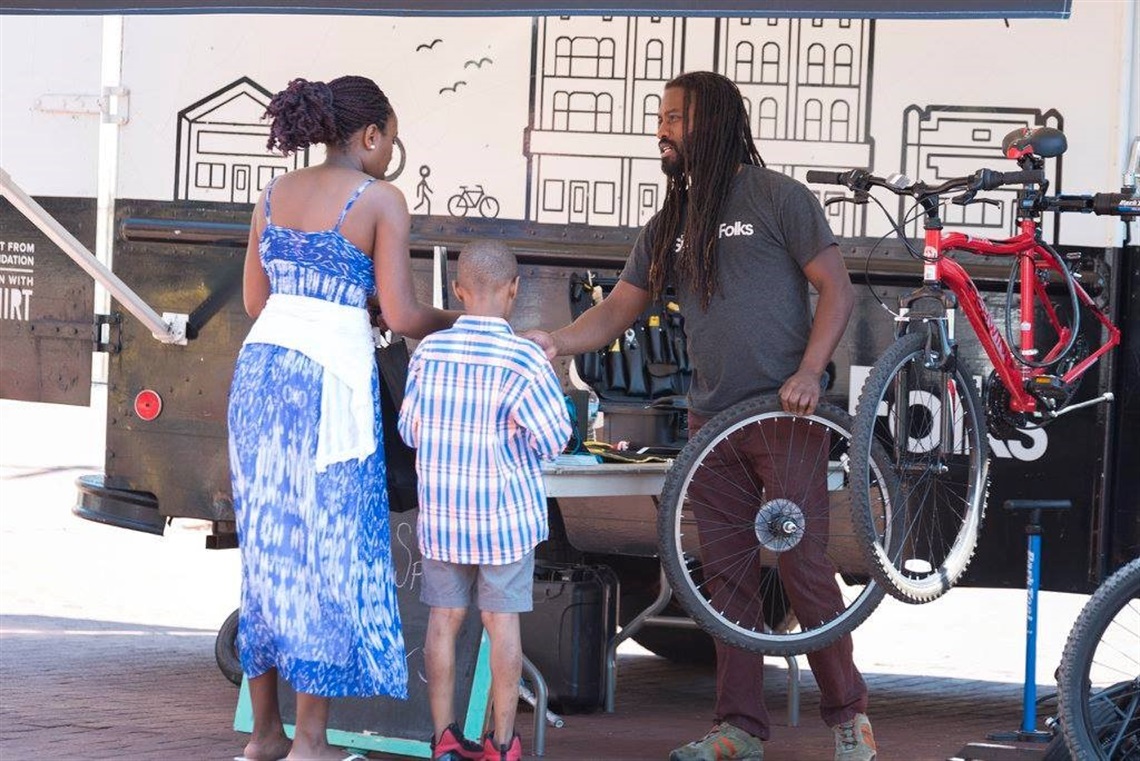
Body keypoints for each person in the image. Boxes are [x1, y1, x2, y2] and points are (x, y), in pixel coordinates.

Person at [524, 71, 874, 761]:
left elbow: (838, 290)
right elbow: (622, 304)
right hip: (712, 424)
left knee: (803, 566)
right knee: (724, 579)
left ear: (713, 121)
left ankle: (849, 719)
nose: (662, 128)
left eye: (675, 117)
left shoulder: (780, 198)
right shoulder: (669, 224)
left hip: (782, 414)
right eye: (661, 116)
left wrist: (808, 371)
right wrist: (559, 340)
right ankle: (739, 728)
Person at [228, 75, 458, 761]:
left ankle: (264, 737)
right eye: (393, 138)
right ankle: (310, 742)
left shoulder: (272, 195)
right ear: (372, 134)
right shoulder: (381, 199)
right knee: (324, 550)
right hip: (326, 384)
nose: (393, 152)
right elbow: (406, 314)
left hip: (260, 374)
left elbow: (253, 301)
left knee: (266, 552)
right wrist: (466, 319)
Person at [397, 240, 571, 761]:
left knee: (443, 621)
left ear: (458, 291)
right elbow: (555, 438)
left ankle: (444, 739)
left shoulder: (429, 352)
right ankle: (502, 743)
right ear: (513, 292)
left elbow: (410, 430)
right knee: (502, 626)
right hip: (504, 522)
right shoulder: (523, 359)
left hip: (444, 517)